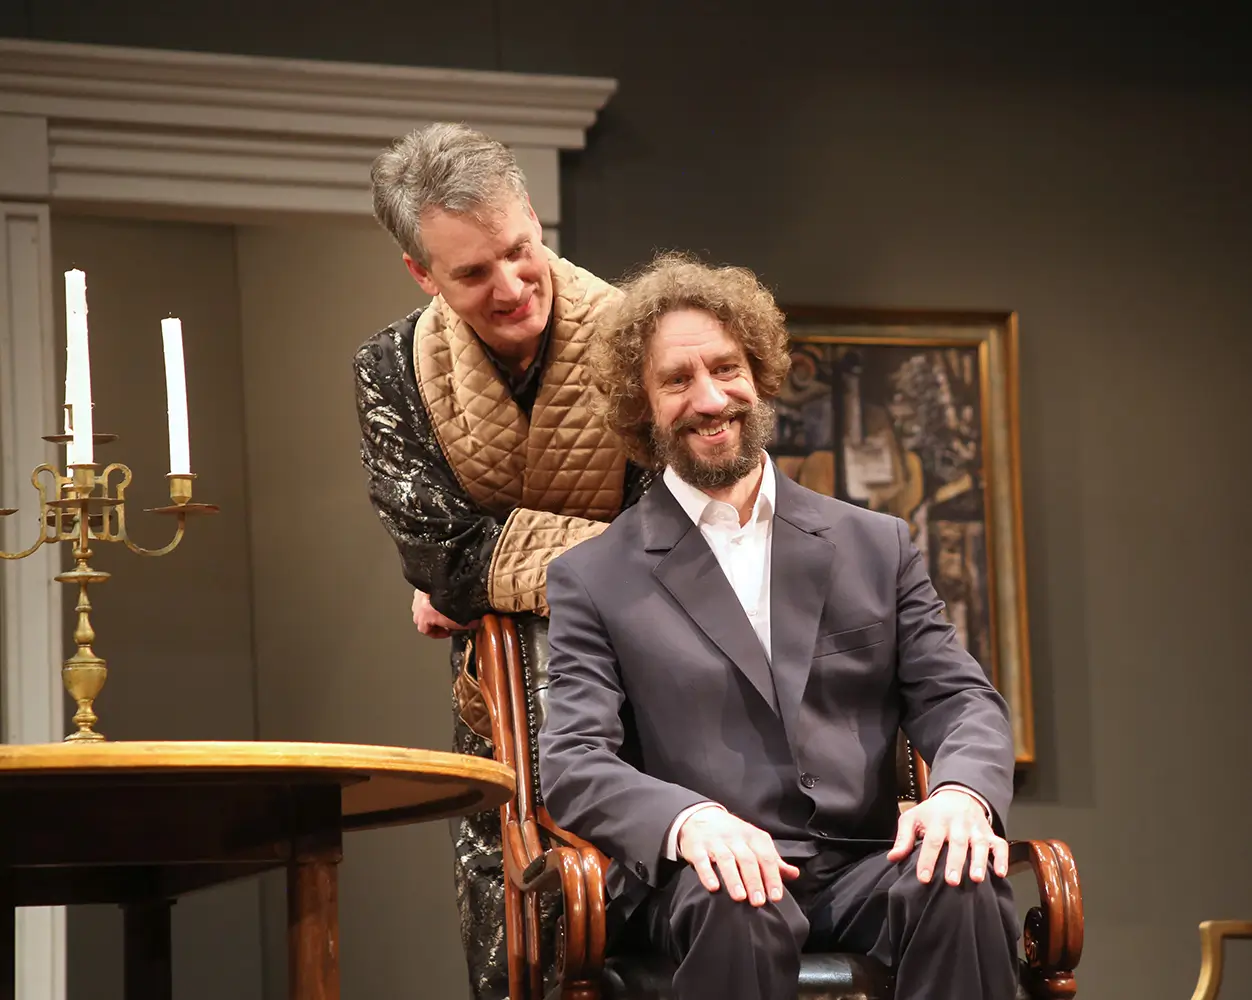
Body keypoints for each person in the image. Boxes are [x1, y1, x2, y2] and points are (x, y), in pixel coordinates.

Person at [538, 253, 1020, 1000]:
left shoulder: (876, 544)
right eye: (677, 380)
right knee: (738, 899)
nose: (709, 399)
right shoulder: (594, 576)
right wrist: (688, 821)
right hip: (705, 879)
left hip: (860, 867)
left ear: (760, 374)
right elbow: (573, 759)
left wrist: (961, 794)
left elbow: (960, 700)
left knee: (962, 880)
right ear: (642, 406)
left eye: (726, 369)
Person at [353, 122, 651, 1000]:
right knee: (515, 952)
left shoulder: (643, 338)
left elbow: (681, 546)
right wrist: (602, 545)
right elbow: (442, 561)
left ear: (535, 220)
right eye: (474, 273)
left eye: (521, 251)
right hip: (501, 716)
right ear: (423, 274)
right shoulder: (391, 369)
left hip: (660, 696)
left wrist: (488, 569)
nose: (514, 286)